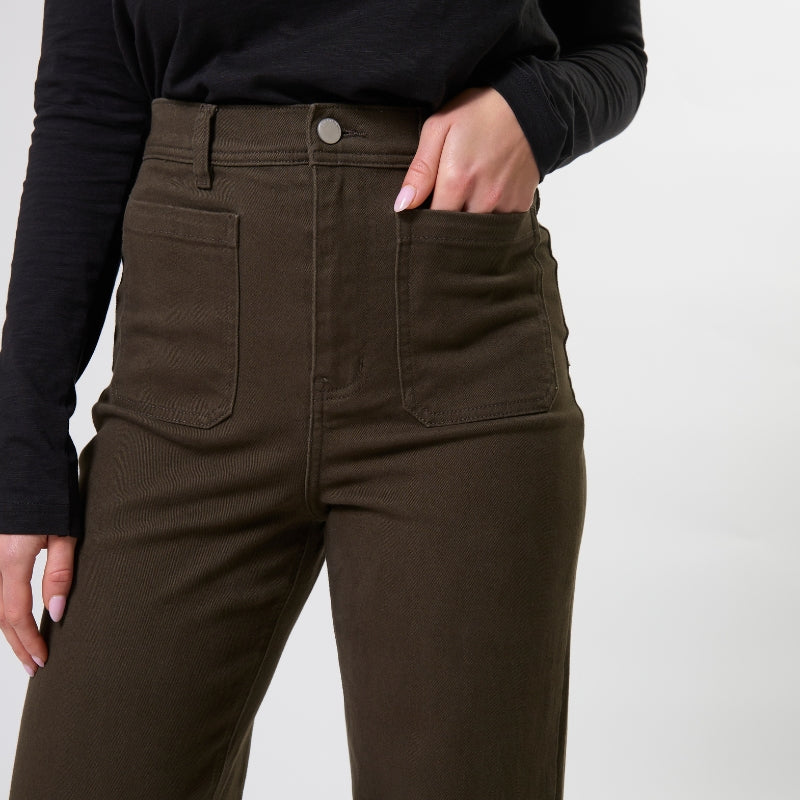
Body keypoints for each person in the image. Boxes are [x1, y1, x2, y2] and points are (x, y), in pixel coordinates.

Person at [0, 1, 646, 798]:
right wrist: (24, 444)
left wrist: (534, 113)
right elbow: (88, 108)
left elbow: (610, 50)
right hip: (185, 363)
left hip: (457, 349)